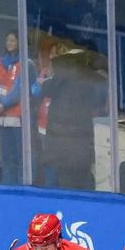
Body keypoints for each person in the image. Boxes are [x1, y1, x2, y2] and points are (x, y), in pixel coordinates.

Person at [34, 46, 98, 190]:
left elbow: (47, 89)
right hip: (80, 137)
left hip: (63, 137)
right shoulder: (89, 78)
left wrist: (45, 80)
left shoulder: (64, 75)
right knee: (80, 175)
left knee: (64, 176)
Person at [0, 31, 40, 185]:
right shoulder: (1, 62)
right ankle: (8, 186)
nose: (9, 43)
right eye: (8, 40)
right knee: (6, 157)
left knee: (22, 157)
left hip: (19, 119)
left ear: (20, 42)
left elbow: (20, 89)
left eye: (12, 40)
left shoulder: (27, 63)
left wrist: (3, 104)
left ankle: (22, 187)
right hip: (2, 118)